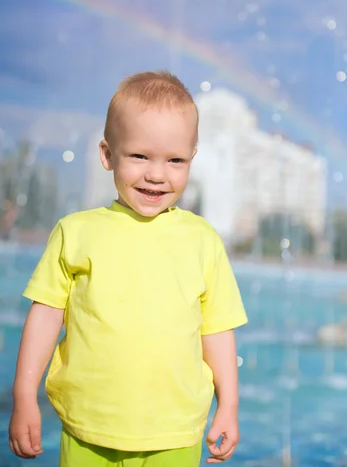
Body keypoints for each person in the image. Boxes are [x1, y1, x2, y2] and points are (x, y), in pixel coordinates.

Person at [9, 71, 248, 467]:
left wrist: (229, 404)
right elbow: (46, 315)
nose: (157, 174)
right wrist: (23, 395)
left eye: (175, 160)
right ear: (107, 155)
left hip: (175, 432)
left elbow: (217, 329)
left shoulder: (203, 240)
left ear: (192, 160)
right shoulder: (76, 232)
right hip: (88, 426)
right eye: (140, 156)